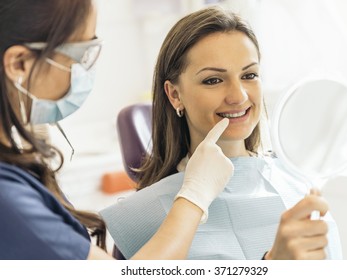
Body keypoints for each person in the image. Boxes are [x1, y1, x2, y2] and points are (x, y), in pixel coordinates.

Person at [100, 6, 343, 260]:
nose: (239, 96)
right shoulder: (143, 216)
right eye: (213, 80)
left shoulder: (297, 183)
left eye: (249, 75)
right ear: (175, 94)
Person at [0, 0, 234, 260]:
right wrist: (194, 197)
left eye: (250, 75)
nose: (238, 96)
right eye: (82, 54)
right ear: (19, 63)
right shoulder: (7, 198)